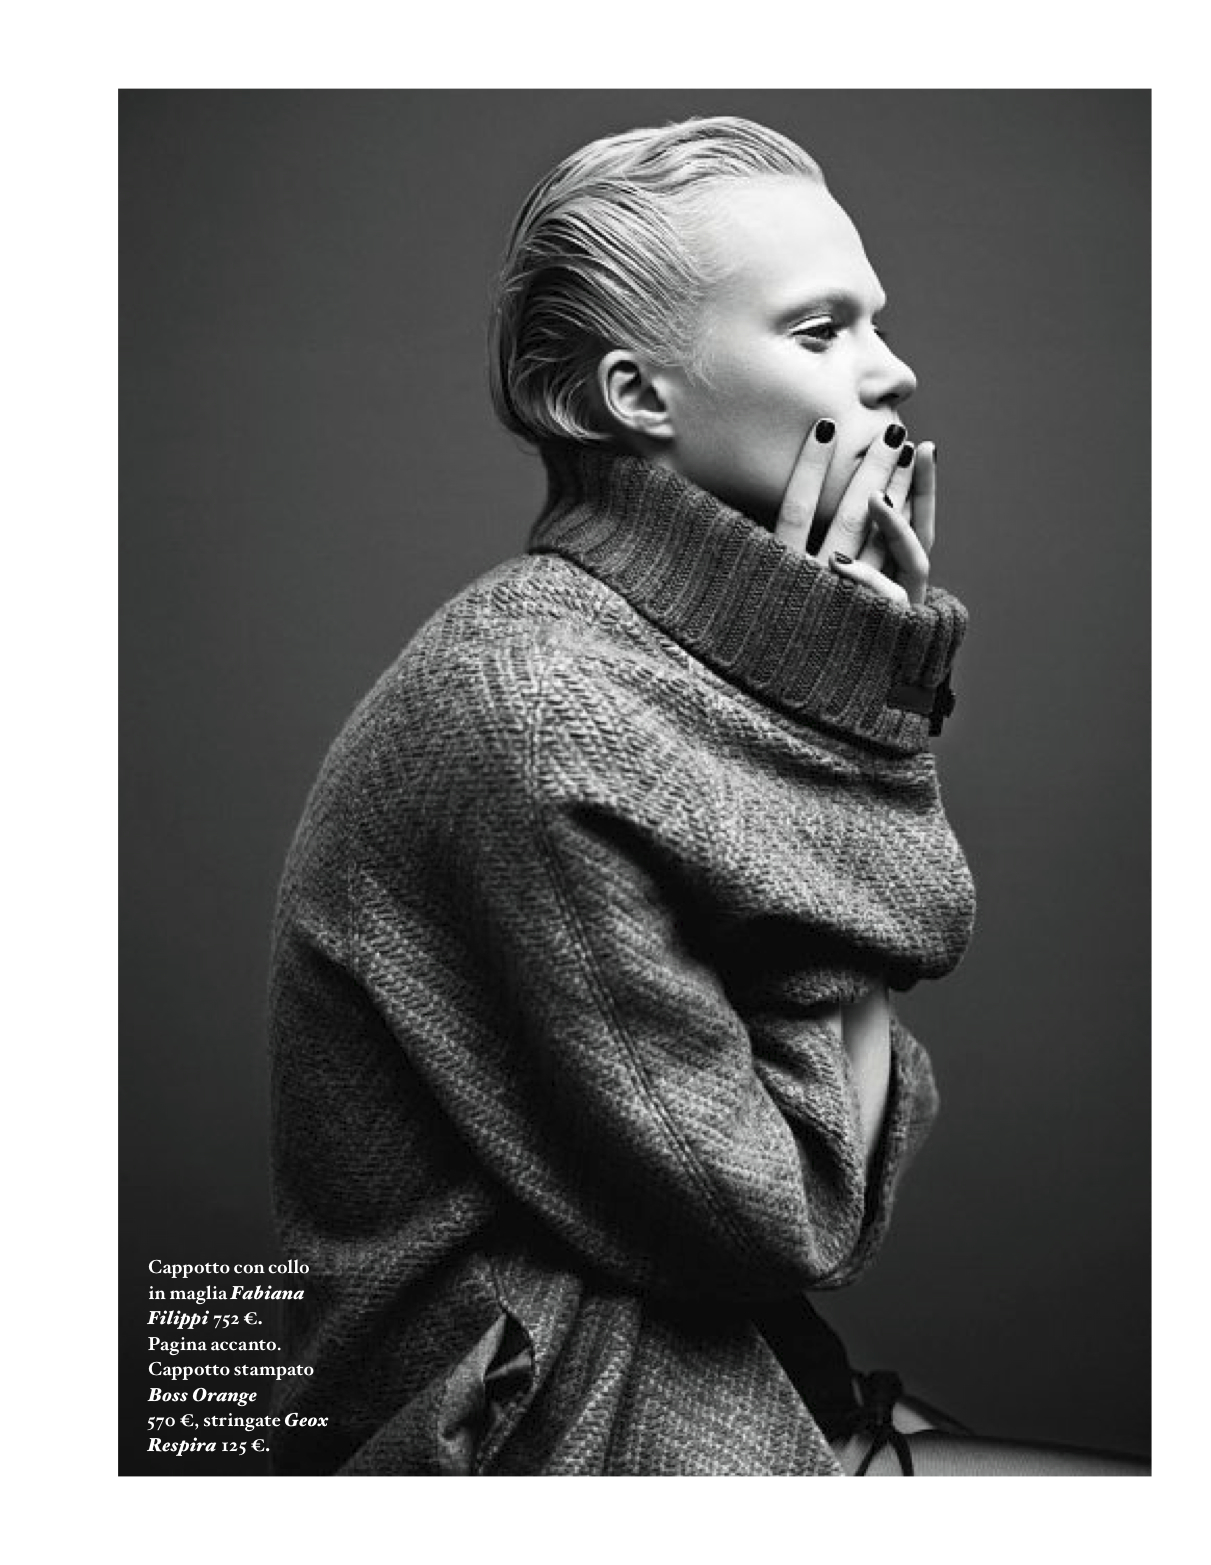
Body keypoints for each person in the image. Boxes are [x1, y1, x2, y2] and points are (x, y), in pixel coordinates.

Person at [267, 115, 1146, 1476]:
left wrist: (842, 673)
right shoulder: (536, 706)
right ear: (638, 395)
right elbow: (788, 1215)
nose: (893, 369)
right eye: (820, 330)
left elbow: (827, 1133)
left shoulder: (669, 651)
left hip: (725, 1372)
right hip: (550, 1437)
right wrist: (857, 715)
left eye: (877, 322)